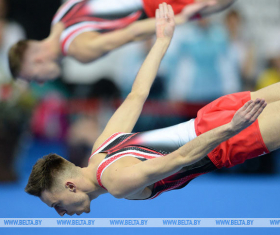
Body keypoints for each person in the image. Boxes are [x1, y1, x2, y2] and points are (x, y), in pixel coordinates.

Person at [25, 4, 273, 217]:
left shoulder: (115, 183)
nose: (61, 213)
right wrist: (162, 41)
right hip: (212, 114)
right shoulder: (99, 149)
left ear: (70, 186)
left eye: (56, 205)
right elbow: (136, 96)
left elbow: (181, 158)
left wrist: (230, 128)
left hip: (226, 139)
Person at [8, 0, 236, 83]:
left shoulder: (79, 49)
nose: (39, 83)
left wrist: (180, 18)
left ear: (37, 59)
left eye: (34, 78)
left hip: (153, 5)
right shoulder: (61, 13)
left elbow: (134, 32)